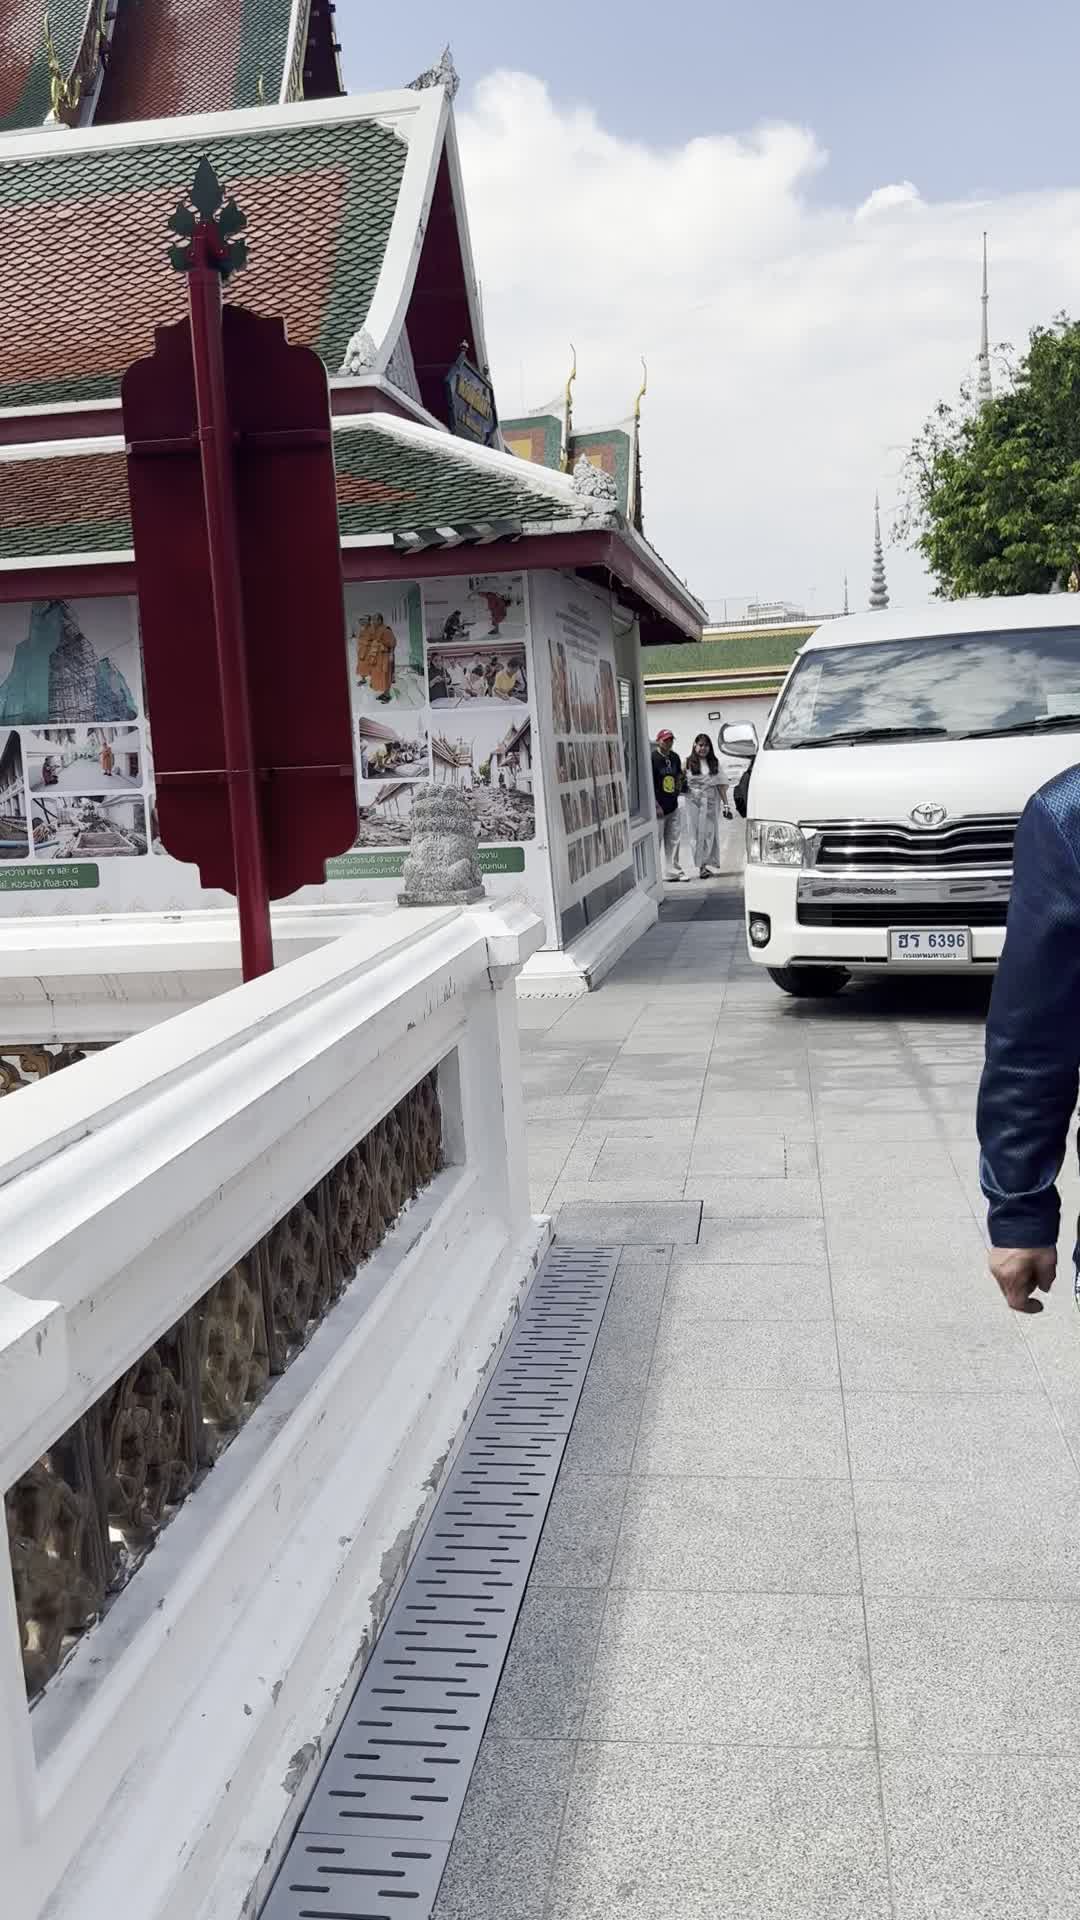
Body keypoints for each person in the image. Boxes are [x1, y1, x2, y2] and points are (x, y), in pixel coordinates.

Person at [977, 767, 1080, 1314]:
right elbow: (1035, 1035)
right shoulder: (1069, 814)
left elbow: (1033, 1035)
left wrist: (1019, 1215)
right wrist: (1019, 1211)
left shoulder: (1068, 809)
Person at [684, 732, 730, 878]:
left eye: (706, 745)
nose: (703, 748)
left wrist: (726, 805)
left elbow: (721, 785)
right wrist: (692, 791)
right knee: (697, 834)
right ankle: (701, 867)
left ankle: (706, 863)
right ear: (695, 746)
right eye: (701, 745)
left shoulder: (714, 763)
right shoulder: (687, 763)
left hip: (711, 803)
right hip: (694, 803)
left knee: (710, 834)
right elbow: (681, 783)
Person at [651, 728, 685, 880]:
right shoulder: (652, 758)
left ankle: (673, 871)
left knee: (674, 840)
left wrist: (678, 789)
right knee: (657, 841)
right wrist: (655, 804)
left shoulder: (675, 757)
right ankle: (655, 874)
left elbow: (678, 776)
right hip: (658, 807)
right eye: (665, 740)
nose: (669, 743)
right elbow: (649, 783)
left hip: (673, 805)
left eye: (671, 740)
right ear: (658, 741)